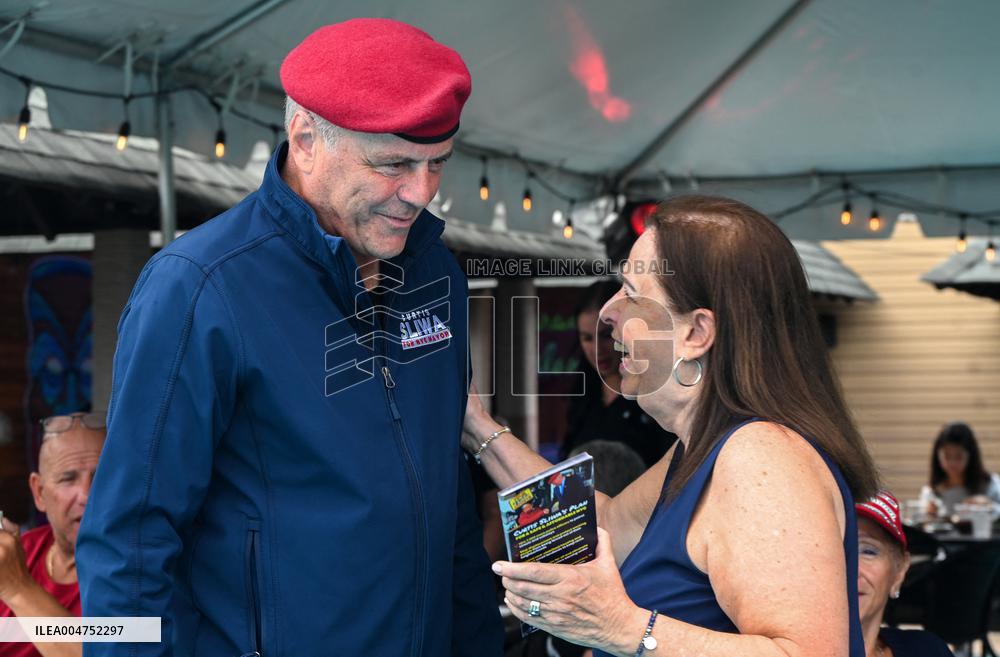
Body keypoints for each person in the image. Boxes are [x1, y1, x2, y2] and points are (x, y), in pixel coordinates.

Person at [76, 18, 502, 657]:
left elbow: (449, 511)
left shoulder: (434, 271)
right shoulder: (199, 287)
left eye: (437, 163)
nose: (420, 193)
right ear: (305, 138)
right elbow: (127, 541)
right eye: (393, 164)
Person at [463, 195, 880, 657]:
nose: (608, 312)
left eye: (633, 294)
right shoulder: (703, 449)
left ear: (697, 333)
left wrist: (621, 627)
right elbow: (596, 525)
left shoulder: (761, 456)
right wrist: (479, 430)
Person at [0, 413, 106, 657]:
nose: (87, 496)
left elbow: (106, 652)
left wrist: (18, 588)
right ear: (39, 493)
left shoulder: (140, 572)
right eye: (68, 479)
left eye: (101, 477)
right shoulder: (18, 553)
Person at [562, 281, 676, 467]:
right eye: (587, 338)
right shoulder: (585, 394)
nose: (597, 350)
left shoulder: (654, 395)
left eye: (606, 335)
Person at [856, 491, 954, 657]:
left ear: (899, 571)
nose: (849, 568)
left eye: (868, 551)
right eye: (835, 548)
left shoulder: (927, 650)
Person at [920, 422, 1000, 516]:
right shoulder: (932, 491)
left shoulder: (989, 485)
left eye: (959, 456)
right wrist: (928, 515)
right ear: (937, 456)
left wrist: (989, 506)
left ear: (971, 456)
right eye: (947, 456)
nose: (952, 463)